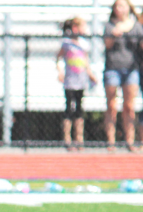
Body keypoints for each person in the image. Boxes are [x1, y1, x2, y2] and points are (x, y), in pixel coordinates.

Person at [103, 0, 143, 151]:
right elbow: (106, 44)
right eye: (117, 6)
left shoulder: (136, 26)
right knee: (111, 105)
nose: (119, 9)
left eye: (122, 6)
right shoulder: (110, 25)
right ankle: (111, 141)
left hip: (131, 69)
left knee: (129, 106)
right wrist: (113, 34)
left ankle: (130, 141)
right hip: (112, 68)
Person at [57, 17, 98, 151]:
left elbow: (86, 61)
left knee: (79, 110)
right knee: (69, 109)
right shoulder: (66, 43)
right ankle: (67, 139)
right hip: (70, 81)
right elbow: (58, 57)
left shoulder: (84, 43)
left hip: (81, 81)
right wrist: (60, 72)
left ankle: (79, 139)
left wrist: (91, 75)